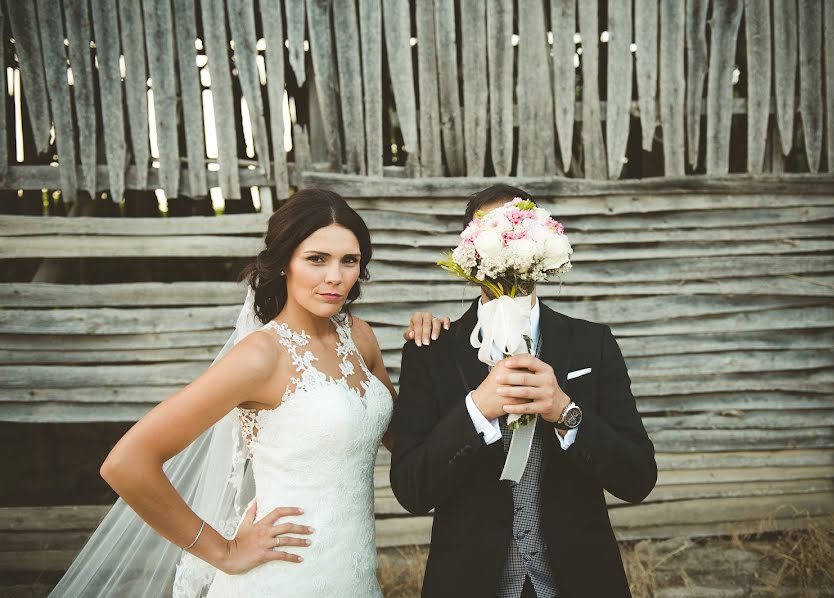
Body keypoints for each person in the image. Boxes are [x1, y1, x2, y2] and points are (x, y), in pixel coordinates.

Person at [52, 189, 407, 597]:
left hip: (354, 572)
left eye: (350, 260)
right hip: (285, 576)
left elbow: (403, 437)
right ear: (284, 263)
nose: (335, 276)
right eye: (316, 259)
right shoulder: (261, 356)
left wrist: (433, 348)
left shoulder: (359, 337)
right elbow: (126, 463)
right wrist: (223, 551)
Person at [392, 184, 658, 598]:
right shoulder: (431, 349)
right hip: (470, 583)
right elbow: (411, 490)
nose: (508, 239)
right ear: (470, 251)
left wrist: (566, 412)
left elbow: (638, 478)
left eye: (520, 228)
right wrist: (477, 411)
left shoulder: (593, 343)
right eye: (491, 230)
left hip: (580, 581)